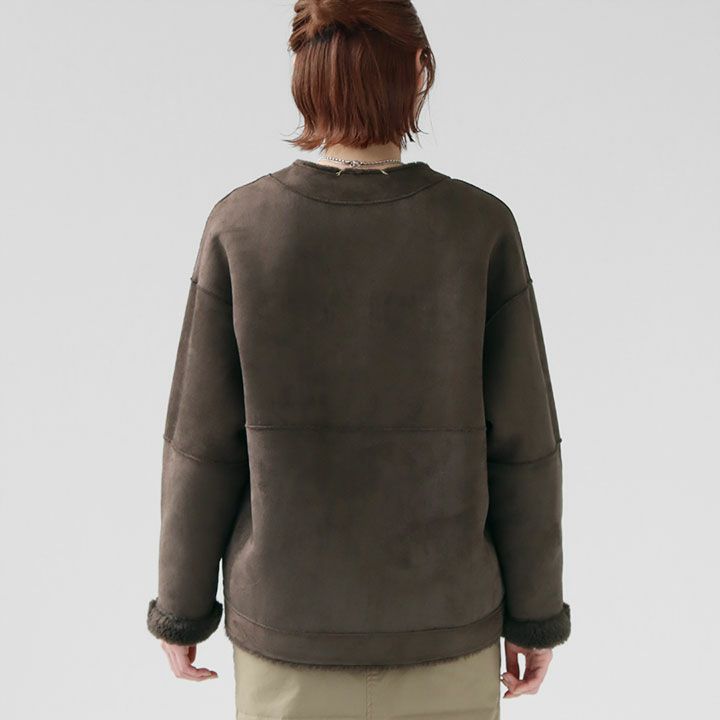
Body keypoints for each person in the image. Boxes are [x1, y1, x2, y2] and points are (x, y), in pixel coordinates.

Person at [146, 1, 571, 718]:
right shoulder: (479, 229)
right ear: (418, 70)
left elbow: (201, 444)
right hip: (448, 633)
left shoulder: (242, 228)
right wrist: (534, 615)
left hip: (286, 637)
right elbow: (525, 447)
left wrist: (181, 610)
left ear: (304, 76)